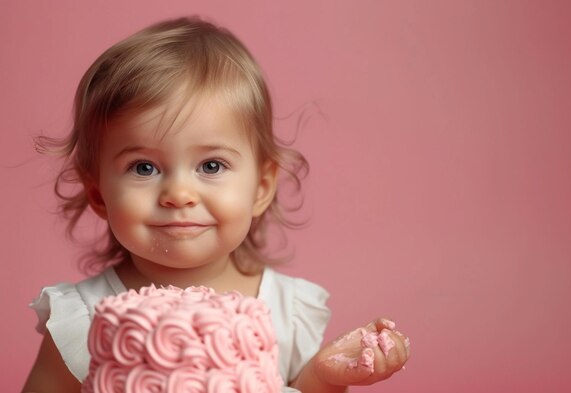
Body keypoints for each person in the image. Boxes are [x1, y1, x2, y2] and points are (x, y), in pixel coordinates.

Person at [23, 16, 409, 392]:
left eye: (211, 165)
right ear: (98, 194)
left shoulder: (287, 311)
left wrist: (325, 378)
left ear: (260, 187)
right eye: (144, 167)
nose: (179, 193)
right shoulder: (83, 316)